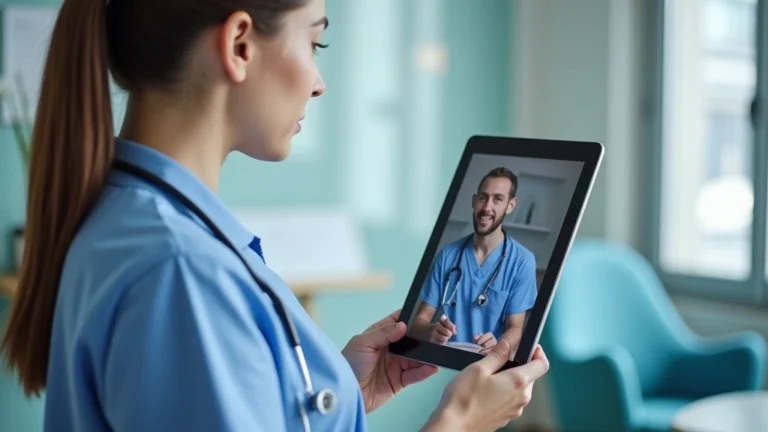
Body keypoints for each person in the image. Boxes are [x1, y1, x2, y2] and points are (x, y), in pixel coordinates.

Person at [0, 0, 549, 431]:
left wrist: (336, 400)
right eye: (315, 41)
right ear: (240, 44)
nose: (319, 80)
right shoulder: (181, 271)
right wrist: (458, 424)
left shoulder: (132, 219)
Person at [410, 167, 538, 355]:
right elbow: (418, 322)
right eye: (483, 197)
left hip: (487, 364)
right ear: (473, 200)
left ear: (511, 205)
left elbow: (515, 328)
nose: (487, 207)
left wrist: (499, 345)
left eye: (498, 199)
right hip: (443, 360)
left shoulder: (522, 261)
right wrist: (431, 330)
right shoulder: (447, 255)